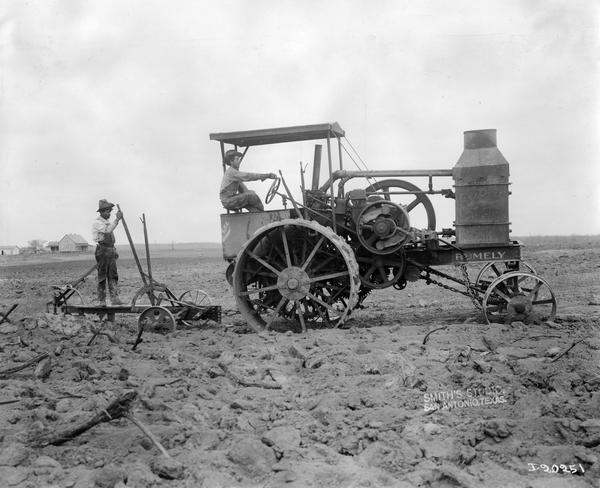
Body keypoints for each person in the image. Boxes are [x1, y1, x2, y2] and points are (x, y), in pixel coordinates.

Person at [92, 199, 123, 305]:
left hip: (110, 250)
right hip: (103, 251)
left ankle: (114, 299)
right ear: (101, 212)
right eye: (106, 211)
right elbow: (108, 231)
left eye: (109, 211)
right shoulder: (98, 223)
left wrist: (114, 250)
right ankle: (101, 301)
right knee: (102, 276)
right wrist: (117, 220)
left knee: (113, 275)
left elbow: (110, 236)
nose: (108, 213)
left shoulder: (107, 222)